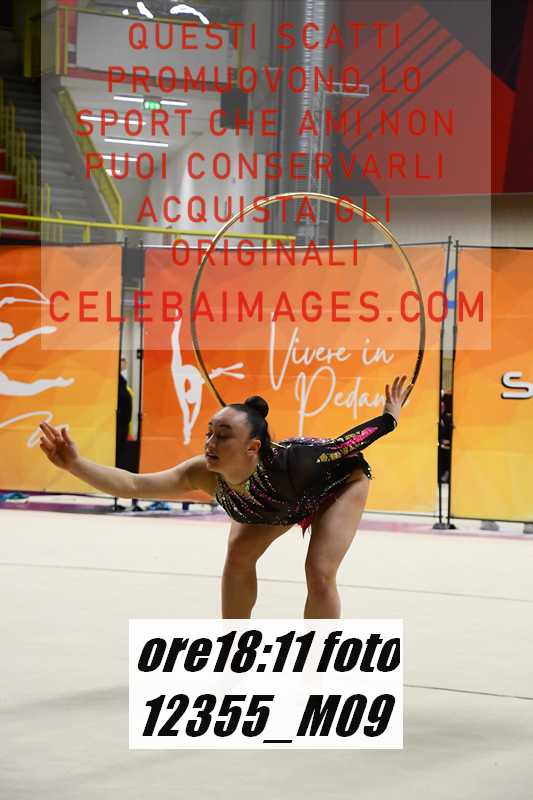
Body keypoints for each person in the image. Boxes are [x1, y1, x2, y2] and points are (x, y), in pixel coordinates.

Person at [38, 375, 412, 619]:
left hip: (337, 483)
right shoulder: (202, 472)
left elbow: (346, 445)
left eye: (223, 435)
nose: (210, 443)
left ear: (253, 447)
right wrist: (75, 465)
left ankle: (319, 668)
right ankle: (236, 654)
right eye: (209, 432)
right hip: (279, 503)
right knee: (237, 557)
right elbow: (133, 485)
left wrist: (390, 417)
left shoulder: (295, 462)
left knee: (318, 570)